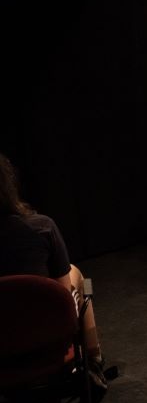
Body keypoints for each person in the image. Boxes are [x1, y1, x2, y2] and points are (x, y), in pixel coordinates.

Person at [0, 153, 108, 385]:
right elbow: (63, 293)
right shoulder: (42, 227)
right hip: (48, 342)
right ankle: (93, 358)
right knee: (74, 273)